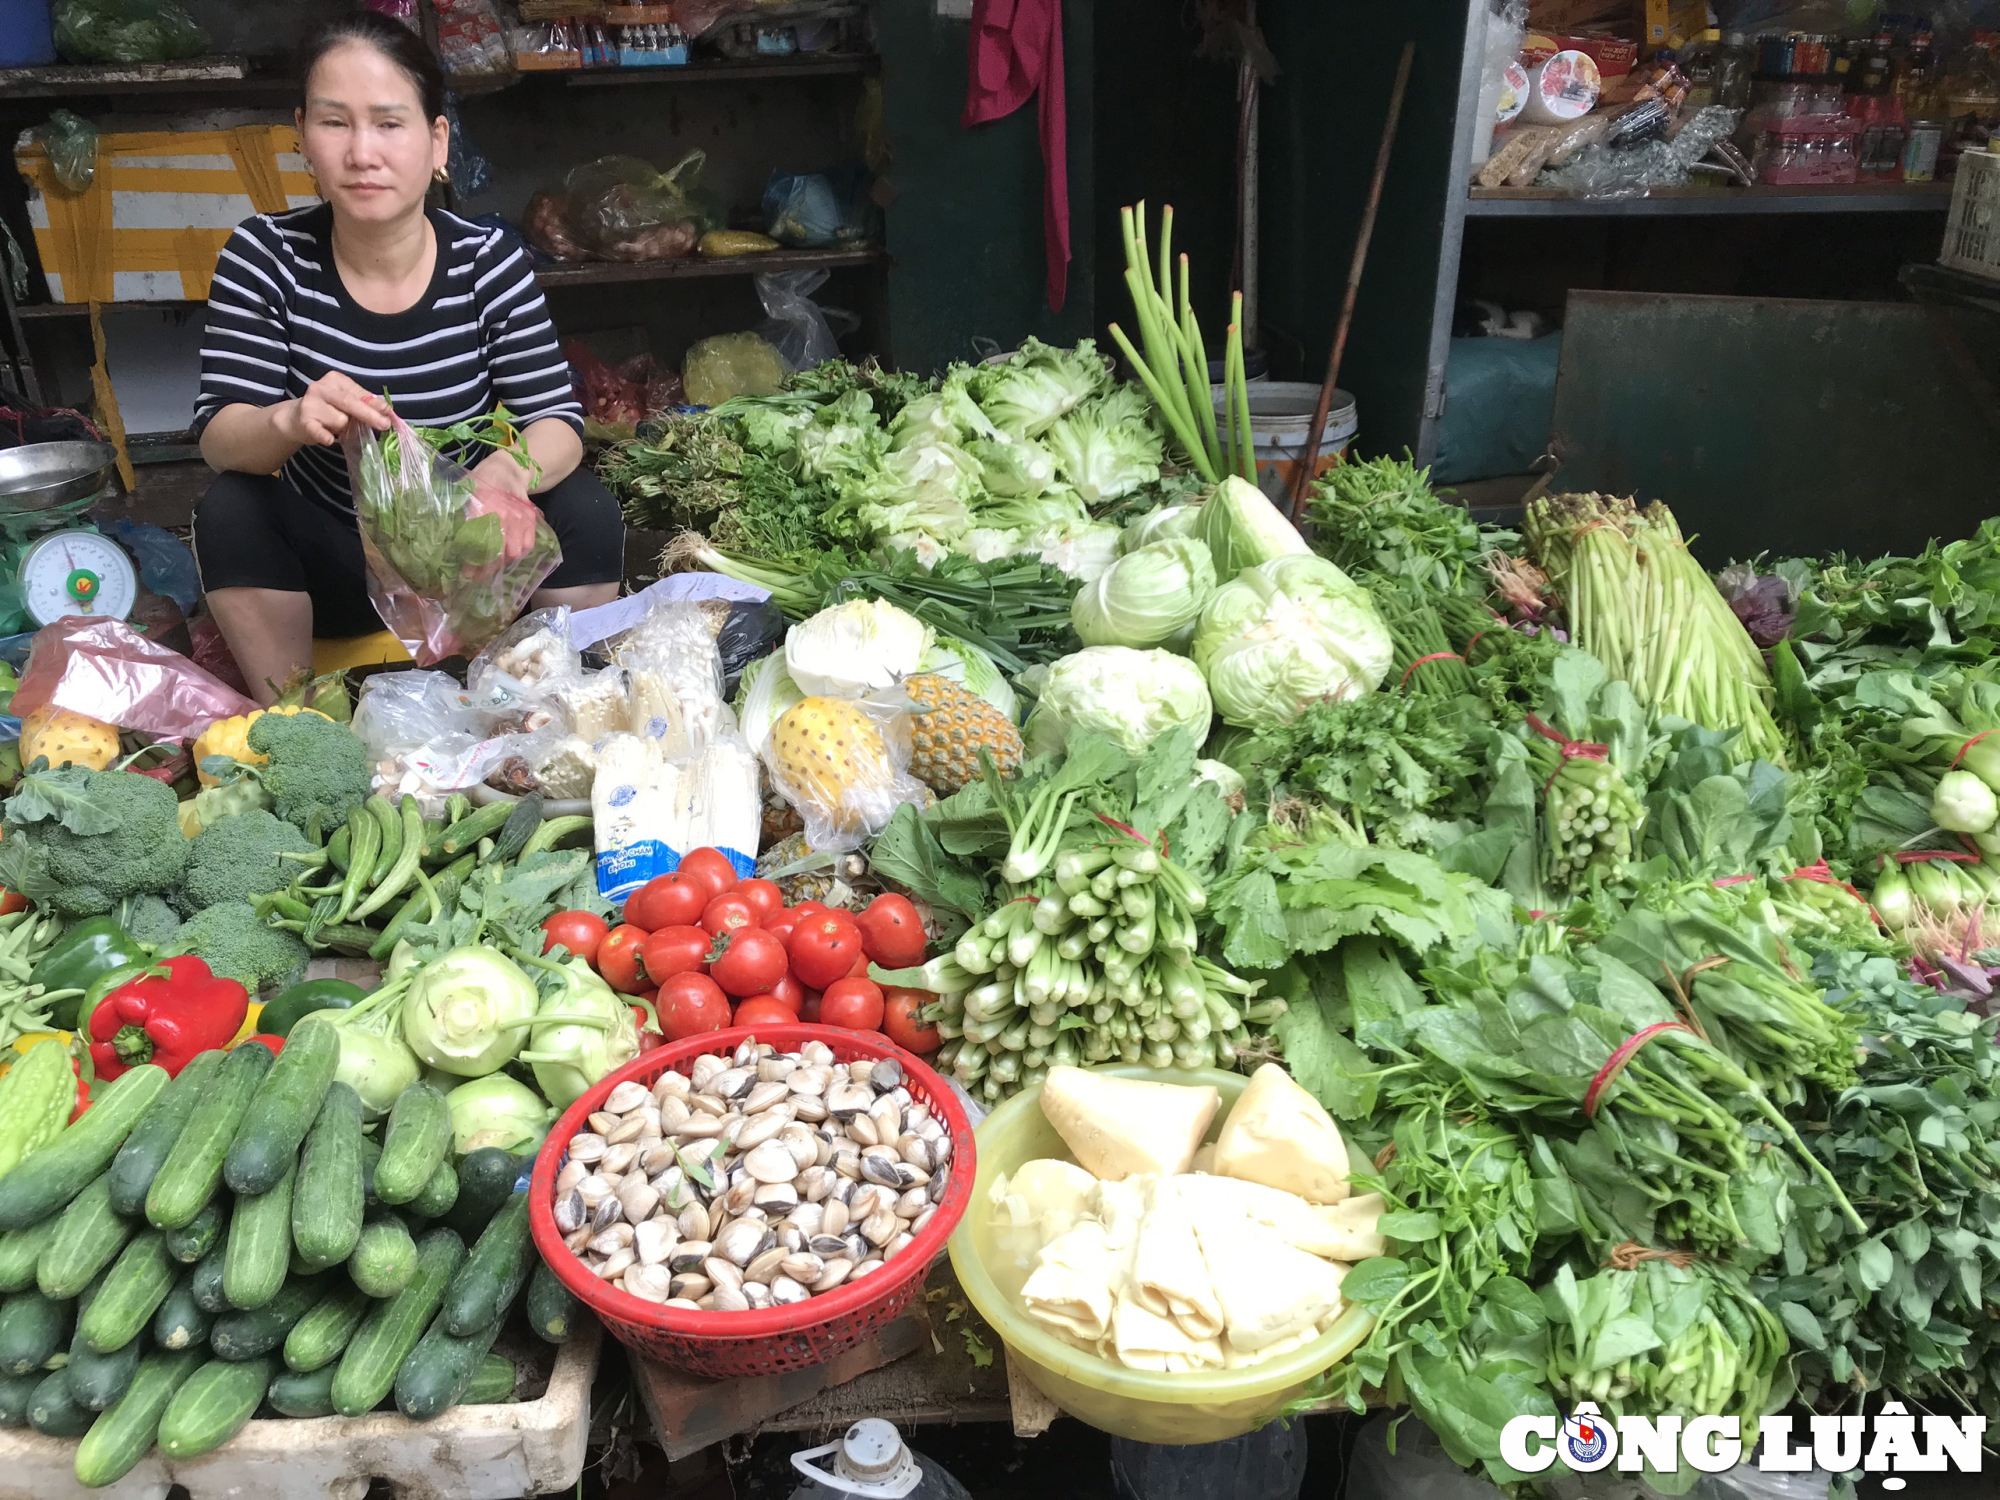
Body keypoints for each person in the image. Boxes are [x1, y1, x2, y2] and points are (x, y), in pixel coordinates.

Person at [191, 11, 621, 702]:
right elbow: (220, 436)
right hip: (340, 568)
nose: (363, 152)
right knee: (233, 509)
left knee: (586, 509)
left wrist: (506, 475)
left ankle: (563, 710)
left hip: (471, 565)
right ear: (303, 136)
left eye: (390, 123)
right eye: (335, 123)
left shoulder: (487, 260)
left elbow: (558, 422)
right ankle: (297, 723)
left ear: (436, 140)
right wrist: (291, 420)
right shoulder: (265, 257)